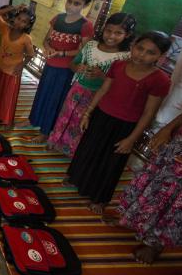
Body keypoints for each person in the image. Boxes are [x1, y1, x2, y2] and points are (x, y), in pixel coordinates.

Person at [65, 32, 172, 217]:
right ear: (133, 46)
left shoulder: (160, 80)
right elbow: (104, 89)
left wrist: (132, 139)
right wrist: (88, 112)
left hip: (126, 126)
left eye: (150, 52)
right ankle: (76, 178)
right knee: (88, 149)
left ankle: (100, 198)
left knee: (111, 163)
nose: (141, 55)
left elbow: (149, 113)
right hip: (101, 116)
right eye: (140, 48)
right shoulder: (119, 65)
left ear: (160, 57)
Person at [48, 13, 135, 156]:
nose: (111, 36)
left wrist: (103, 76)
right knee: (66, 115)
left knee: (82, 122)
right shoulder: (91, 46)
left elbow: (121, 84)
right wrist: (78, 68)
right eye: (108, 30)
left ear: (127, 34)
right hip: (77, 89)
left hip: (98, 96)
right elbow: (72, 64)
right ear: (103, 29)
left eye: (118, 33)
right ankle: (56, 140)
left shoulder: (124, 57)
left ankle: (72, 150)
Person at [27, 0, 95, 142]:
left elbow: (83, 51)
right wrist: (49, 48)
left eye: (76, 4)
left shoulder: (85, 25)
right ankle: (33, 120)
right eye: (69, 1)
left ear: (85, 6)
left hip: (66, 69)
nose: (70, 6)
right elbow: (46, 40)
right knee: (42, 92)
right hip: (50, 63)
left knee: (55, 99)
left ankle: (45, 131)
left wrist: (62, 54)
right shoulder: (57, 18)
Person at [117, 113, 182, 264]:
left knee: (175, 201)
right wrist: (168, 128)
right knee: (155, 185)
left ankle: (154, 244)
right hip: (179, 144)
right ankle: (136, 223)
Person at [0, 5, 36, 126]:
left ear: (28, 25)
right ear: (15, 18)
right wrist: (14, 7)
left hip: (12, 72)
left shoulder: (26, 38)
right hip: (0, 66)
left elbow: (30, 54)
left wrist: (22, 66)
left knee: (6, 97)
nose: (19, 22)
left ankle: (2, 118)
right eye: (19, 18)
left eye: (24, 21)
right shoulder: (5, 28)